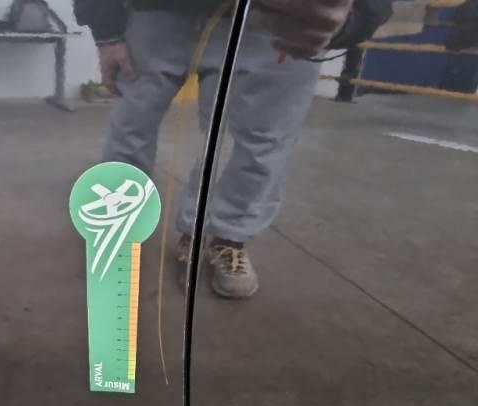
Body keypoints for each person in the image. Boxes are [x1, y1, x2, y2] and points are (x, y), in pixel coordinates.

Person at [74, 0, 393, 298]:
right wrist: (107, 32)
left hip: (277, 19)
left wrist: (355, 18)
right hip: (156, 12)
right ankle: (118, 229)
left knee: (262, 139)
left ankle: (223, 239)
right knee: (130, 127)